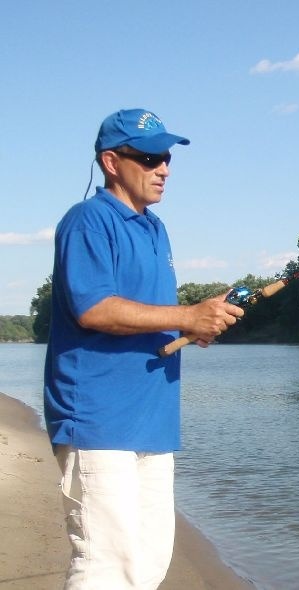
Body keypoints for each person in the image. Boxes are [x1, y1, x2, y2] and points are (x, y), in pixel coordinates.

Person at [43, 108, 244, 589]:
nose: (164, 169)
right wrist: (185, 314)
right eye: (151, 157)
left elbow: (152, 316)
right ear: (112, 161)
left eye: (168, 158)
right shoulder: (88, 221)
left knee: (150, 561)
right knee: (106, 565)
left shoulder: (155, 228)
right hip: (97, 417)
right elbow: (94, 309)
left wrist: (196, 327)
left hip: (152, 420)